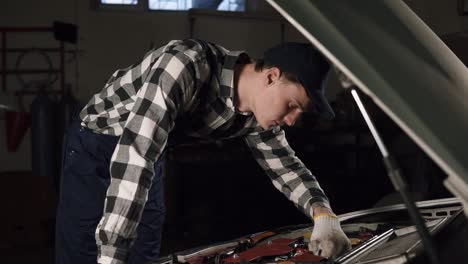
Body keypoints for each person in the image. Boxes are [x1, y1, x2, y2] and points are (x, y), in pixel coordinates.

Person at [55, 39, 351, 264]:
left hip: (151, 150)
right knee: (91, 250)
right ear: (271, 77)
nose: (291, 120)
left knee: (143, 252)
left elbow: (286, 166)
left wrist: (323, 215)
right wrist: (111, 256)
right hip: (98, 144)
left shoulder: (256, 115)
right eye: (292, 105)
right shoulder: (184, 66)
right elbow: (137, 156)